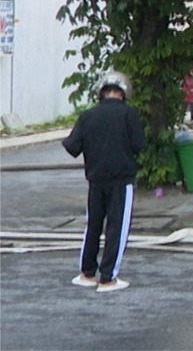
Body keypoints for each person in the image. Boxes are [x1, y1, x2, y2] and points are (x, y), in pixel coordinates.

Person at [62, 71, 146, 293]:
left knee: (93, 226)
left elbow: (71, 146)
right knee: (116, 228)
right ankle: (108, 278)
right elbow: (139, 145)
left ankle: (87, 273)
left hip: (95, 180)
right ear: (124, 92)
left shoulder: (87, 116)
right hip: (121, 180)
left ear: (101, 92)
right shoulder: (129, 114)